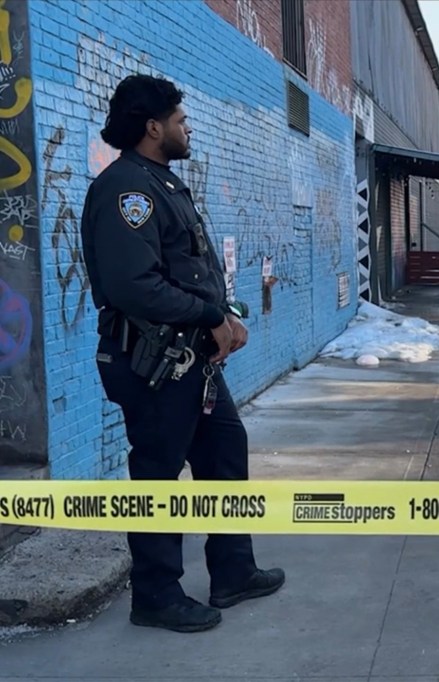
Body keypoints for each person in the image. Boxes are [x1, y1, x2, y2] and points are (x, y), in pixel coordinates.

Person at [80, 74, 284, 633]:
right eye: (179, 119)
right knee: (157, 476)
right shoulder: (127, 191)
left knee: (223, 454)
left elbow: (185, 272)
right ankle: (154, 594)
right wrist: (208, 316)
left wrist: (224, 313)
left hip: (191, 365)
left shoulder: (158, 183)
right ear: (152, 127)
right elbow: (134, 286)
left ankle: (233, 572)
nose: (187, 126)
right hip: (152, 366)